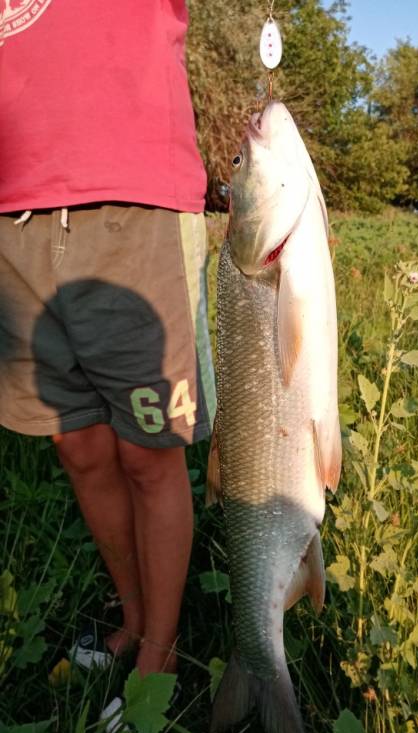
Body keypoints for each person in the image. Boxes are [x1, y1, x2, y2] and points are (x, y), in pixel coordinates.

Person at [0, 0, 215, 686]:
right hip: (13, 215)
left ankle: (162, 649)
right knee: (78, 446)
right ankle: (131, 613)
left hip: (135, 202)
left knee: (149, 456)